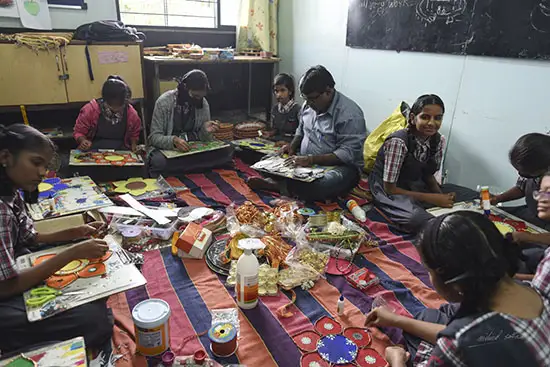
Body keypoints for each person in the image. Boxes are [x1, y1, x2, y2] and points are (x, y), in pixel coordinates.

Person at [365, 211, 550, 367]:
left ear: (452, 281)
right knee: (426, 317)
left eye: (428, 270)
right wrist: (397, 320)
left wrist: (396, 359)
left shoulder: (457, 342)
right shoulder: (535, 285)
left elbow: (468, 338)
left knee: (416, 342)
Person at [0, 124, 113, 353]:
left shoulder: (11, 191)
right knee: (96, 320)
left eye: (45, 165)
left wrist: (76, 233)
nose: (42, 173)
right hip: (5, 298)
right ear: (5, 157)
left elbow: (30, 237)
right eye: (36, 162)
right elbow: (6, 286)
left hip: (16, 267)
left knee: (93, 294)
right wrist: (71, 253)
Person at [247, 65, 367, 201]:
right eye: (305, 99)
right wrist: (292, 147)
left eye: (312, 99)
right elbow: (301, 129)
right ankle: (290, 185)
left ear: (328, 91)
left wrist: (311, 160)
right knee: (264, 163)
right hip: (306, 160)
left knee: (323, 185)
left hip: (340, 167)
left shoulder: (349, 114)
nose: (308, 104)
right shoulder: (309, 104)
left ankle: (277, 185)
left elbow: (347, 154)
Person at [369, 94, 478, 233]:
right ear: (413, 118)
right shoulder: (398, 142)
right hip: (391, 191)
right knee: (418, 219)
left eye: (438, 118)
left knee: (473, 197)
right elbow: (390, 188)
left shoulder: (436, 140)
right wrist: (434, 199)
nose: (432, 123)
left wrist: (441, 197)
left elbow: (428, 175)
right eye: (425, 117)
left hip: (417, 185)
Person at [148, 69, 233, 177]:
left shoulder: (203, 103)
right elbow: (154, 137)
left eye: (201, 97)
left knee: (228, 148)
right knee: (159, 162)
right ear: (185, 89)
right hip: (170, 149)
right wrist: (173, 141)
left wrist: (206, 131)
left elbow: (205, 140)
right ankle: (197, 167)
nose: (199, 100)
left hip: (194, 147)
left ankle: (183, 169)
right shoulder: (164, 102)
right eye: (195, 96)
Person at [491, 133, 550, 231]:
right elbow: (521, 187)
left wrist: (528, 237)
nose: (521, 175)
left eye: (526, 173)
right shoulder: (535, 168)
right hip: (530, 213)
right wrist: (498, 198)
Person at [73, 75, 141, 152]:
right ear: (104, 99)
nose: (115, 109)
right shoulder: (90, 110)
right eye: (111, 106)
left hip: (121, 149)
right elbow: (79, 131)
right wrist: (83, 141)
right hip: (93, 148)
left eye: (119, 106)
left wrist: (134, 145)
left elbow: (134, 134)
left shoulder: (132, 114)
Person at [268, 73, 301, 145]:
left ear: (290, 91)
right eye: (276, 91)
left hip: (291, 145)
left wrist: (288, 143)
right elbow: (276, 129)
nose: (279, 94)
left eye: (282, 90)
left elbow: (301, 135)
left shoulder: (298, 110)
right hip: (277, 143)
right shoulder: (275, 109)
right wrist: (270, 133)